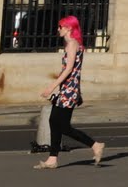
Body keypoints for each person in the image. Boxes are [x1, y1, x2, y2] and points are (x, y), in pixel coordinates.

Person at [36, 15, 104, 169]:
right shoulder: (72, 43)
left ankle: (95, 145)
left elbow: (68, 69)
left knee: (63, 126)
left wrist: (51, 87)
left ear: (68, 28)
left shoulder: (72, 44)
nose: (58, 29)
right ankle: (52, 158)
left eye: (60, 27)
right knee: (54, 121)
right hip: (67, 88)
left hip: (69, 89)